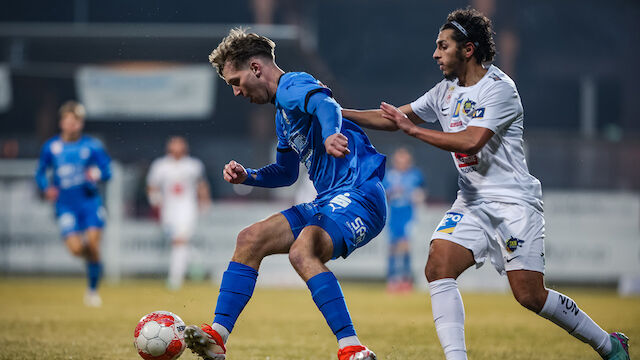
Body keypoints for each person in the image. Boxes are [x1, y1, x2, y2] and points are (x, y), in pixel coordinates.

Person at [342, 8, 629, 360]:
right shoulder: (444, 92)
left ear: (468, 50)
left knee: (530, 295)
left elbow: (471, 141)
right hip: (473, 201)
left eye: (443, 46)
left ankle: (608, 344)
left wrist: (415, 131)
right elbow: (392, 119)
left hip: (513, 204)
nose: (435, 54)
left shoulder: (500, 89)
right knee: (438, 265)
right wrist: (335, 112)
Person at [183, 28, 386, 360]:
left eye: (235, 81)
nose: (236, 92)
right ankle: (216, 338)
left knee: (302, 251)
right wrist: (249, 175)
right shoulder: (283, 116)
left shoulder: (293, 84)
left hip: (360, 193)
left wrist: (332, 135)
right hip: (329, 199)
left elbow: (327, 103)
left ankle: (352, 347)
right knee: (251, 238)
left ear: (256, 69)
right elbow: (286, 172)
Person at [35, 100, 111, 307]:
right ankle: (94, 262)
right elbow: (41, 173)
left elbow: (107, 170)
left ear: (81, 124)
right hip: (65, 205)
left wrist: (94, 174)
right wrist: (46, 188)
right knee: (77, 249)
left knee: (94, 243)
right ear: (62, 123)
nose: (72, 125)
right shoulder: (51, 147)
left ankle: (92, 290)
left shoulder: (91, 146)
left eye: (76, 121)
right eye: (69, 121)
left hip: (89, 202)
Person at [146, 136, 211, 290]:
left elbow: (201, 185)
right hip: (168, 210)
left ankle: (175, 280)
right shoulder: (160, 166)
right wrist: (154, 200)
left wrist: (205, 202)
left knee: (179, 241)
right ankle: (196, 262)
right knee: (178, 243)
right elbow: (151, 185)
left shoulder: (193, 165)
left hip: (187, 208)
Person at [382, 147, 425, 293]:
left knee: (405, 245)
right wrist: (392, 193)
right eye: (399, 159)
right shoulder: (389, 175)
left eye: (404, 159)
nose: (401, 162)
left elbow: (420, 193)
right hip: (393, 214)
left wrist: (416, 196)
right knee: (393, 247)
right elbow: (383, 194)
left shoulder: (415, 175)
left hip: (408, 215)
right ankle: (392, 280)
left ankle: (406, 280)